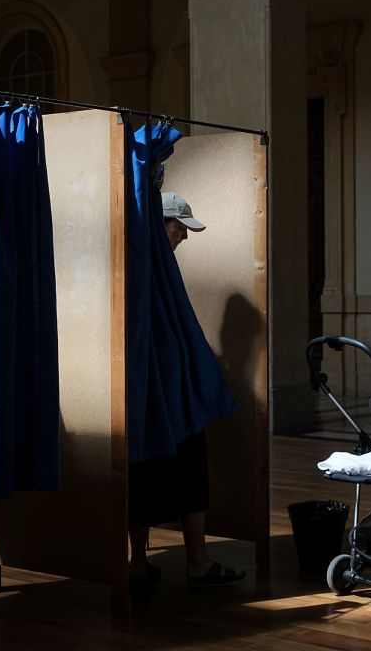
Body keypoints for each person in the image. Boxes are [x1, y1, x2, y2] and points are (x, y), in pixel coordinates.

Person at [127, 191, 246, 592]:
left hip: (146, 392)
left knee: (140, 471)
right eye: (180, 228)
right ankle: (196, 563)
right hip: (169, 392)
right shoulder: (149, 267)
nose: (185, 237)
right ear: (160, 225)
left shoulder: (139, 265)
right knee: (188, 467)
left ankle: (140, 566)